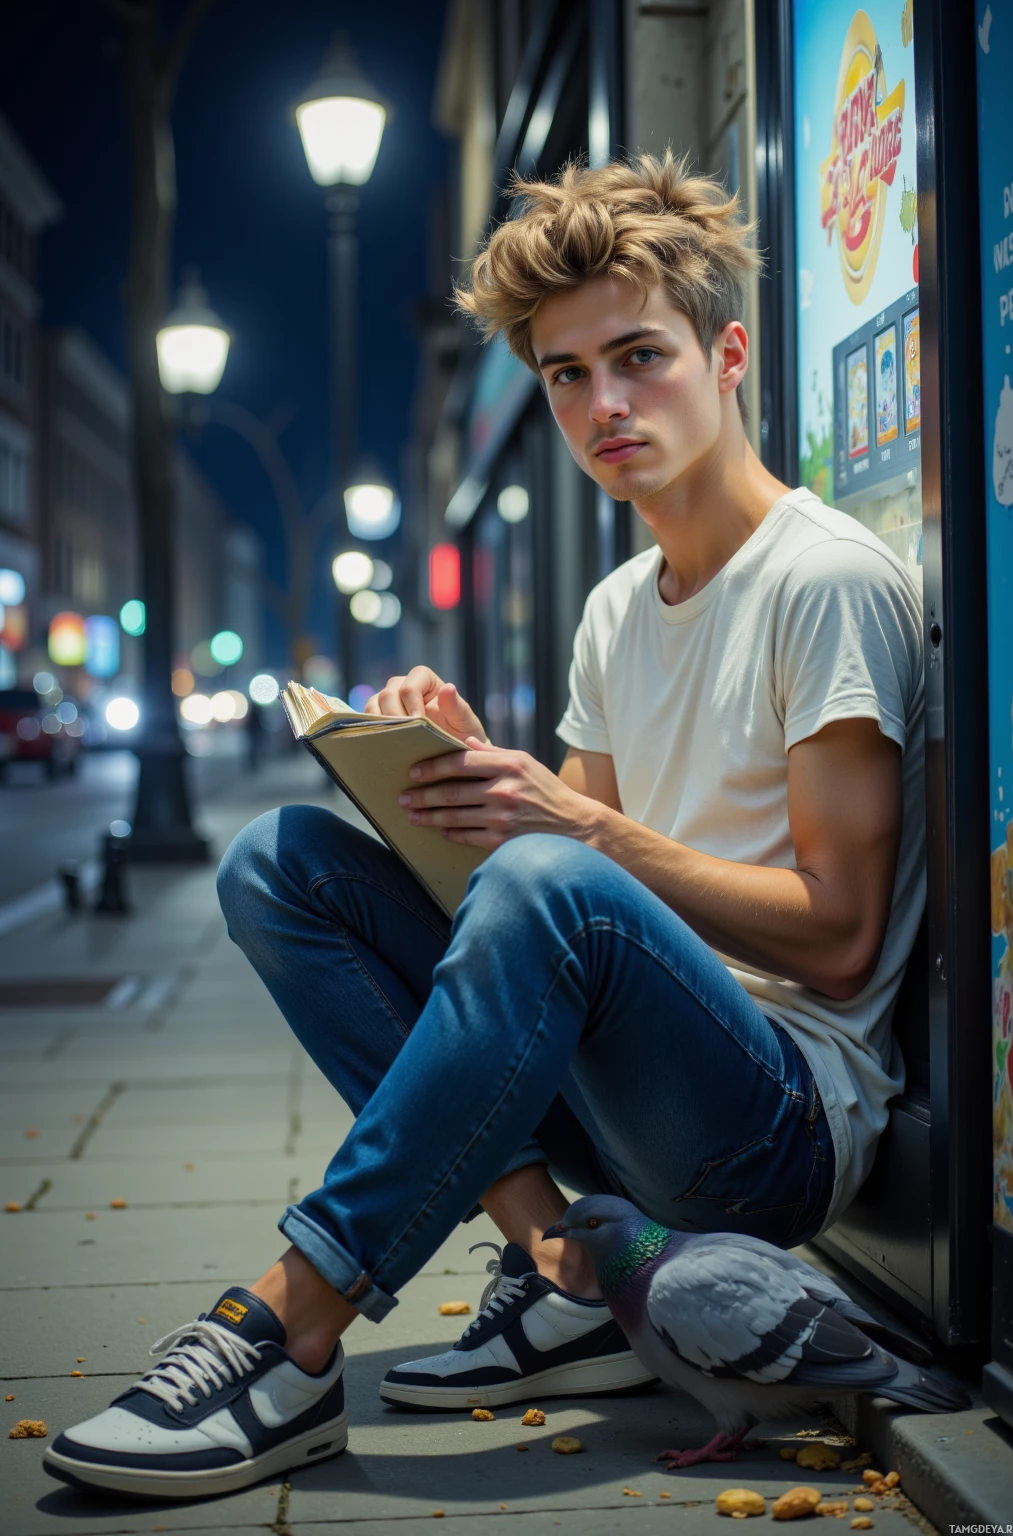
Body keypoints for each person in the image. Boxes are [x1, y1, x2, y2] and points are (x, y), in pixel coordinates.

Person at [46, 152, 924, 1501]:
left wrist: (562, 821)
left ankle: (290, 1329)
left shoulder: (826, 583)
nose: (602, 403)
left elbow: (846, 944)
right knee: (279, 863)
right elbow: (550, 894)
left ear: (730, 352)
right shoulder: (620, 607)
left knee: (553, 883)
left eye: (638, 356)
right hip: (631, 1100)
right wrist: (443, 776)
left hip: (773, 1129)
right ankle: (563, 1263)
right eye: (567, 375)